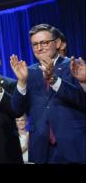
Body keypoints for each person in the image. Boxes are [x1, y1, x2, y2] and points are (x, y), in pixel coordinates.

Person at [10, 23, 86, 163]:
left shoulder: (74, 66)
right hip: (41, 148)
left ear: (57, 43)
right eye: (35, 44)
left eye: (44, 43)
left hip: (73, 145)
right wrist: (21, 82)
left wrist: (53, 79)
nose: (39, 48)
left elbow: (82, 100)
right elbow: (16, 110)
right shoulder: (29, 72)